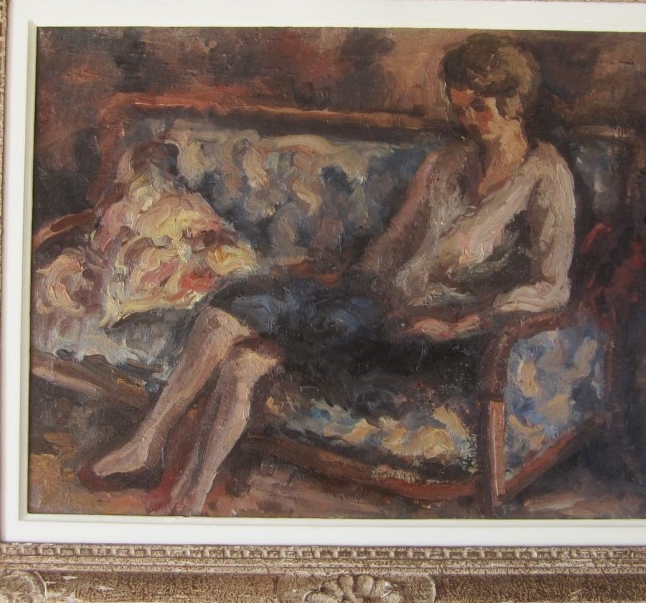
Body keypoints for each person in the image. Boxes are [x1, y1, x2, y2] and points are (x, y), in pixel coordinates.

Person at [92, 33, 576, 513]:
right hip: (371, 307)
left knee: (256, 342)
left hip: (431, 337)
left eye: (479, 109)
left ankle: (174, 481)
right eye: (460, 108)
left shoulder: (545, 176)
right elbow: (394, 244)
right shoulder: (446, 163)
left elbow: (550, 288)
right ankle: (171, 475)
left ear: (514, 104)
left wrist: (461, 323)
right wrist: (338, 276)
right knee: (230, 332)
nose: (466, 121)